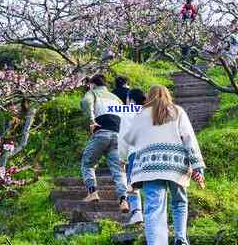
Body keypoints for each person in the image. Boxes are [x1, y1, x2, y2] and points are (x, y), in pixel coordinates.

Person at [124, 85, 206, 245]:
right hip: (176, 167)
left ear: (149, 97)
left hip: (150, 168)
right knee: (179, 202)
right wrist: (198, 167)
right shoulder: (178, 111)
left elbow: (130, 139)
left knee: (154, 208)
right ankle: (180, 239)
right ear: (168, 95)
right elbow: (189, 139)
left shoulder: (141, 114)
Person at [80, 74, 129, 213]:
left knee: (87, 163)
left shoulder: (93, 93)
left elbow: (86, 103)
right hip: (118, 136)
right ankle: (123, 200)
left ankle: (92, 192)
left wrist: (91, 120)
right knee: (118, 170)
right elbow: (126, 117)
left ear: (93, 84)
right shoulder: (116, 98)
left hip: (102, 133)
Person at [118, 88, 147, 226]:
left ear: (131, 100)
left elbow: (123, 137)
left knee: (132, 185)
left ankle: (136, 213)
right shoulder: (150, 111)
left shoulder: (127, 111)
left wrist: (122, 158)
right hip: (151, 152)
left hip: (134, 152)